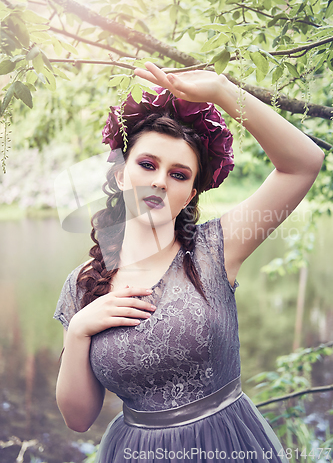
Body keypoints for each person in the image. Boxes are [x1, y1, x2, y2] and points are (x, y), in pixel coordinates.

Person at [54, 62, 324, 462]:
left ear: (191, 193)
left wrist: (220, 89)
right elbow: (78, 419)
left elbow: (304, 162)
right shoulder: (82, 284)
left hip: (226, 446)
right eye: (147, 165)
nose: (160, 181)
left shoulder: (216, 249)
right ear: (122, 173)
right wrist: (79, 331)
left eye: (178, 175)